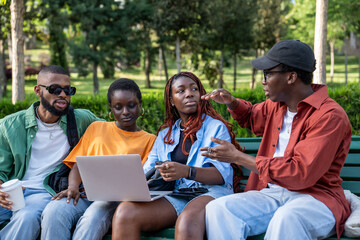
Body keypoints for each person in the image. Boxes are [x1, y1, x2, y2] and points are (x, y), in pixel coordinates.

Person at [201, 40, 352, 239]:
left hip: (317, 198)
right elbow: (252, 117)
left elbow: (300, 173)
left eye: (268, 74)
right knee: (219, 209)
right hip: (273, 193)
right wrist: (233, 102)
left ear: (291, 77)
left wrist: (238, 157)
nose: (263, 81)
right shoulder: (277, 105)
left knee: (287, 218)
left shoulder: (329, 116)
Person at [111, 72, 242, 240]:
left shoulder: (215, 128)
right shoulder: (165, 135)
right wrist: (126, 185)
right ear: (172, 101)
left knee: (187, 221)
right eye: (181, 91)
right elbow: (148, 170)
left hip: (211, 193)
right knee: (125, 213)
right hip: (178, 195)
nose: (189, 93)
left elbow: (220, 176)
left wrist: (187, 171)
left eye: (194, 89)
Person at [41, 78, 156, 240]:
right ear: (111, 109)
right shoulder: (96, 128)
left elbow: (143, 181)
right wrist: (72, 186)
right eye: (118, 107)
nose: (125, 112)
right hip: (84, 194)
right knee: (54, 211)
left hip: (115, 202)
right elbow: (78, 165)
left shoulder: (150, 140)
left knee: (92, 218)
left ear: (140, 104)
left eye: (131, 105)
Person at [0, 65, 100, 240]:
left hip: (45, 192)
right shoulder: (10, 125)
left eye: (68, 90)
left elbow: (115, 132)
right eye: (55, 89)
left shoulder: (81, 120)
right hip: (14, 192)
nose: (63, 95)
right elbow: (1, 170)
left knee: (26, 217)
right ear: (38, 91)